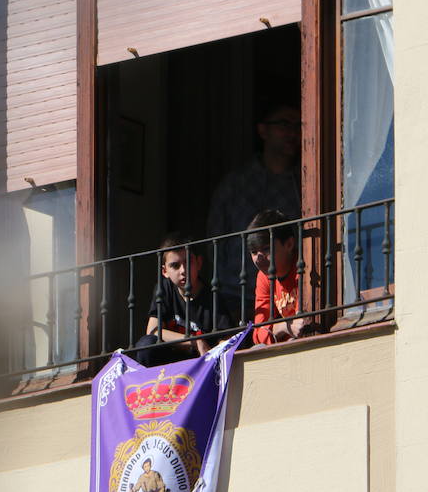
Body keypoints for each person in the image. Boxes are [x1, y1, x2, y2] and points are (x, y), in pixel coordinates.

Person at [205, 101, 303, 316]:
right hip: (235, 296)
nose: (292, 132)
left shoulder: (304, 184)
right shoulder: (236, 184)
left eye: (298, 125)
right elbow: (215, 239)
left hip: (288, 295)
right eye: (284, 124)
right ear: (263, 130)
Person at [134, 233, 231, 366]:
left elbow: (226, 341)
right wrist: (195, 341)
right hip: (171, 362)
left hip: (201, 364)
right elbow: (153, 330)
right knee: (146, 344)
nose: (183, 270)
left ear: (199, 263)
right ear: (165, 271)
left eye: (188, 262)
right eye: (175, 265)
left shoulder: (213, 297)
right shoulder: (164, 288)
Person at [247, 208, 316, 345]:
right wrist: (285, 325)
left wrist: (278, 329)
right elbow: (258, 334)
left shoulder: (304, 266)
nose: (258, 259)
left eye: (266, 249)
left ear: (289, 244)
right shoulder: (263, 277)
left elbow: (302, 324)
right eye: (254, 252)